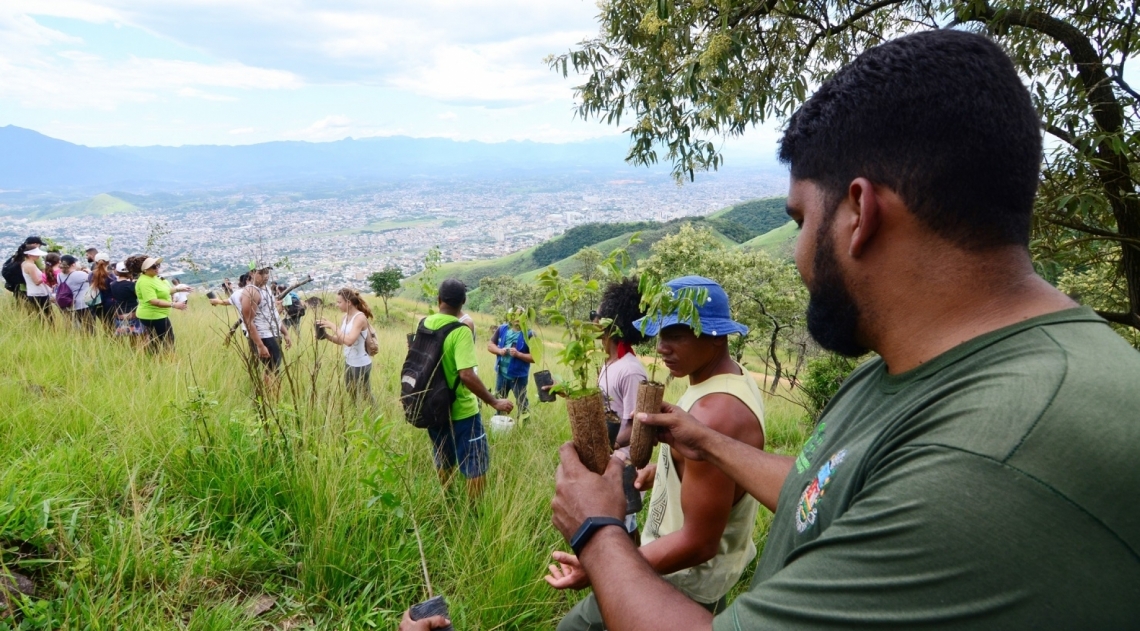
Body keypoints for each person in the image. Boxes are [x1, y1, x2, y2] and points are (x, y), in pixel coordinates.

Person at [546, 30, 1140, 630]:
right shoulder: (908, 370)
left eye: (801, 218)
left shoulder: (994, 456)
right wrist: (709, 444)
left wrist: (598, 533)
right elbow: (824, 489)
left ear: (859, 211)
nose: (797, 253)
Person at [547, 276, 765, 631]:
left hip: (680, 581)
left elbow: (699, 542)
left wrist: (605, 562)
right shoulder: (725, 382)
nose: (662, 347)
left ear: (715, 333)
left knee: (574, 627)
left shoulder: (716, 413)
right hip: (692, 576)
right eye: (659, 335)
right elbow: (710, 478)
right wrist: (662, 472)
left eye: (676, 334)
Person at [423, 279, 513, 498]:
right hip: (461, 410)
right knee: (476, 462)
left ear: (439, 299)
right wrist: (494, 401)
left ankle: (449, 499)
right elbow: (466, 374)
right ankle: (473, 513)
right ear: (463, 302)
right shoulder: (460, 330)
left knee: (442, 456)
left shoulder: (424, 323)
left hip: (432, 406)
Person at [317, 288, 376, 404]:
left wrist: (332, 326)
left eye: (339, 302)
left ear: (348, 302)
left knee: (365, 393)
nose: (337, 305)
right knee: (351, 390)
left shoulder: (360, 318)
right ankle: (356, 413)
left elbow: (349, 341)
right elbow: (341, 340)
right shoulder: (345, 318)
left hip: (361, 363)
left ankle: (374, 415)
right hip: (349, 361)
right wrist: (326, 335)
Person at [240, 265, 292, 391]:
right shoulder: (251, 292)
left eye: (267, 272)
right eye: (261, 272)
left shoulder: (267, 289)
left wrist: (285, 333)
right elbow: (248, 321)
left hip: (273, 335)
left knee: (274, 370)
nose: (266, 276)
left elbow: (273, 313)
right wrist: (260, 345)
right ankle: (269, 401)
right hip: (263, 337)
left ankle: (274, 401)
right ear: (252, 273)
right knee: (269, 372)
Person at [487, 308, 534, 415]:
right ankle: (499, 423)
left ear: (525, 317)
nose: (517, 318)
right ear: (510, 317)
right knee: (499, 401)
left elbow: (535, 357)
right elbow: (490, 346)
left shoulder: (530, 334)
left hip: (518, 377)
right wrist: (499, 351)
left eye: (520, 315)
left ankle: (524, 425)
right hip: (501, 375)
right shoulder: (502, 329)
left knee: (522, 404)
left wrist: (518, 354)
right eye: (514, 315)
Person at [135, 256, 185, 351]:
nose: (157, 268)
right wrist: (174, 305)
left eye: (158, 265)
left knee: (157, 341)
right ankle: (169, 360)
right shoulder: (144, 282)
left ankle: (157, 359)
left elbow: (164, 291)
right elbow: (153, 301)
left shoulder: (153, 278)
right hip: (153, 316)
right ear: (145, 270)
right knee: (168, 340)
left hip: (157, 314)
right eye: (154, 267)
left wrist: (178, 289)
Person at [111, 258, 145, 338]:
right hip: (133, 314)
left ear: (117, 272)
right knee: (136, 338)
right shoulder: (131, 285)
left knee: (122, 338)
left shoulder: (112, 284)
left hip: (119, 315)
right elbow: (139, 296)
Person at [57, 255, 93, 329]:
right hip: (82, 304)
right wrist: (89, 271)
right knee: (89, 328)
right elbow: (93, 279)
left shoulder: (59, 275)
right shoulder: (79, 274)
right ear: (73, 264)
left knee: (75, 328)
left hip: (68, 304)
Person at [19, 246, 51, 316]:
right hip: (39, 293)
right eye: (36, 254)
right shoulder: (31, 266)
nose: (38, 256)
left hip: (32, 293)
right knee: (48, 316)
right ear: (29, 255)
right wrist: (46, 274)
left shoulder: (24, 263)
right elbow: (36, 281)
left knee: (39, 315)